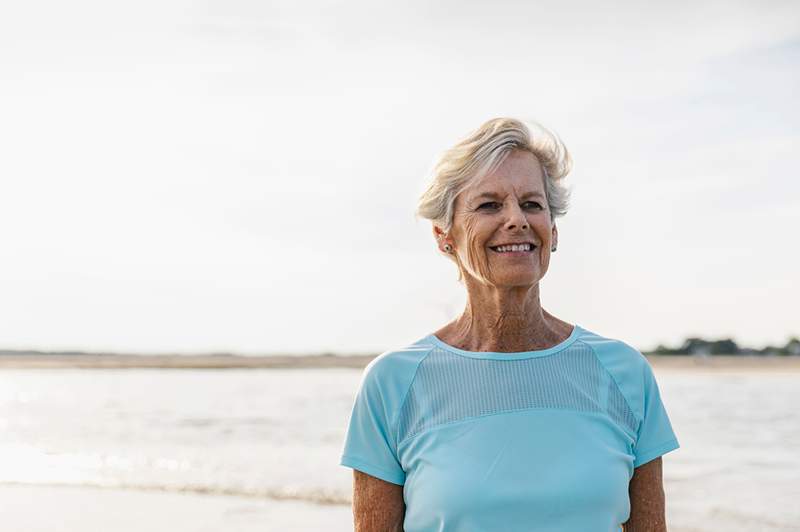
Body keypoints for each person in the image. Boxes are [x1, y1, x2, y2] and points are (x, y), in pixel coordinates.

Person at [339, 117, 680, 531]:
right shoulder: (393, 383)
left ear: (552, 232)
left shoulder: (624, 373)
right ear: (445, 236)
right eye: (489, 205)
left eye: (532, 204)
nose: (516, 219)